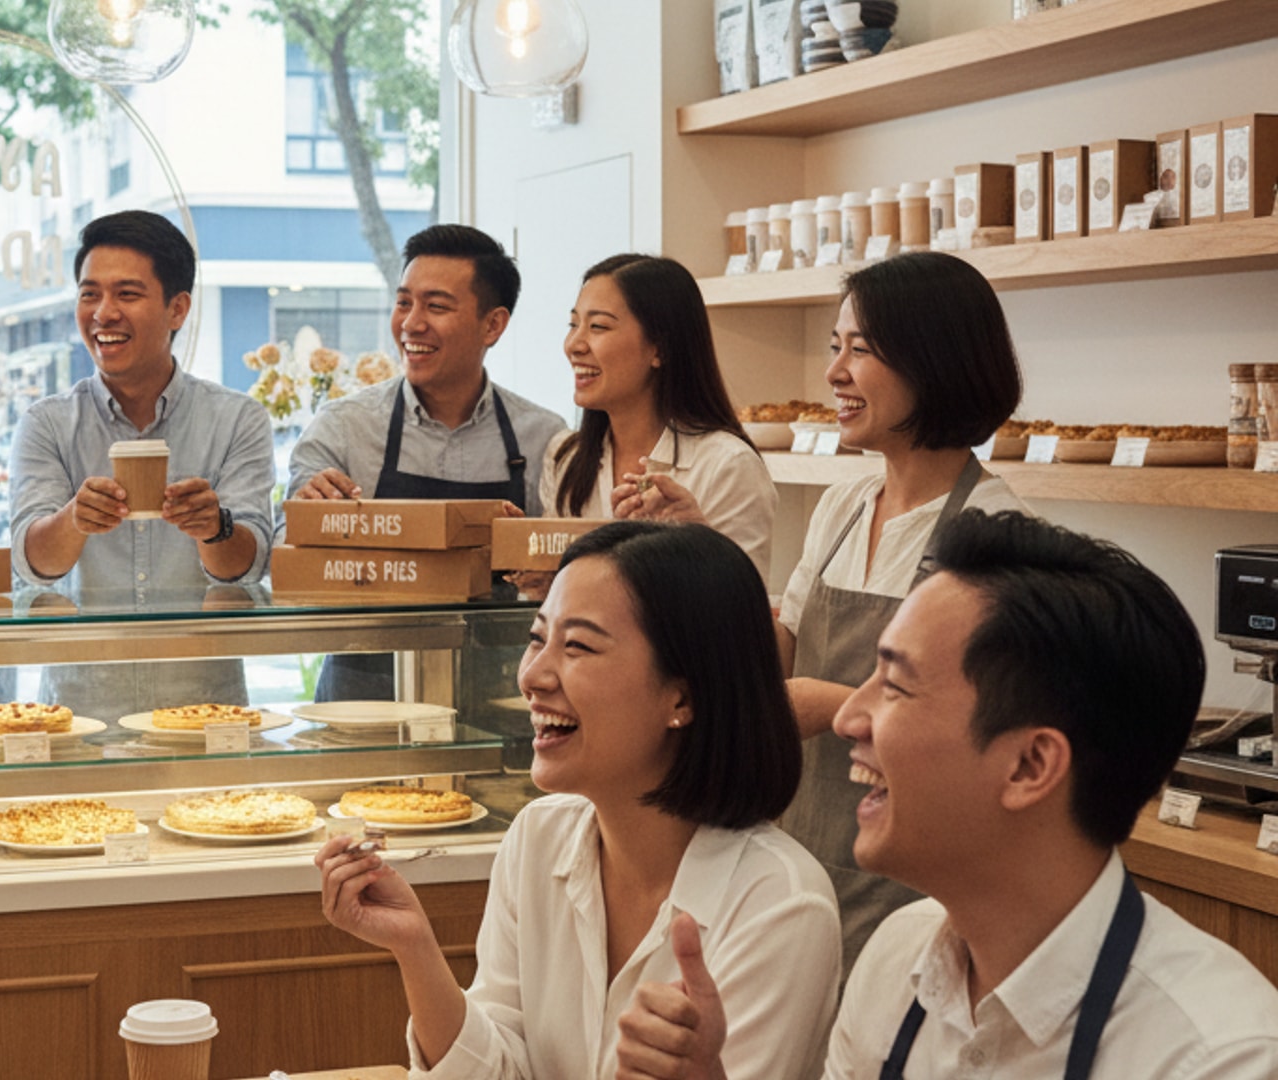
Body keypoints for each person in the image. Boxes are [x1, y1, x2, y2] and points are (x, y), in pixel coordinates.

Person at [617, 510, 1278, 1079]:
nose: (848, 718)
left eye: (896, 687)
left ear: (1030, 765)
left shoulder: (1217, 1055)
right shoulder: (898, 957)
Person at [316, 521, 839, 1080]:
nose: (533, 676)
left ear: (682, 696)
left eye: (578, 646)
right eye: (537, 638)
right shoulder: (539, 837)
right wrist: (414, 947)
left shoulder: (782, 906)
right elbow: (503, 1069)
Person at [637, 251, 1026, 973]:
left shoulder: (995, 528)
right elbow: (776, 658)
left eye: (861, 350)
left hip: (922, 881)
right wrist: (702, 552)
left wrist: (835, 705)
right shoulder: (845, 507)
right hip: (807, 851)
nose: (835, 373)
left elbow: (985, 731)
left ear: (933, 360)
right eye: (834, 347)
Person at [8, 209, 274, 718]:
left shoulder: (237, 419)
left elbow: (248, 568)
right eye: (90, 294)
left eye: (127, 294)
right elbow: (33, 565)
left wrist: (213, 527)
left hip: (204, 709)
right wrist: (75, 518)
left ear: (178, 309)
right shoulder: (46, 423)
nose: (104, 313)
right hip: (80, 711)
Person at [285, 224, 569, 699]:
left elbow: (572, 578)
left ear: (493, 325)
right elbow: (284, 561)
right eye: (404, 302)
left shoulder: (544, 437)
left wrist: (550, 573)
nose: (411, 323)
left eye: (436, 306)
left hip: (503, 695)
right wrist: (310, 522)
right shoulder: (343, 427)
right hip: (365, 698)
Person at [532, 254, 774, 593]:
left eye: (598, 326)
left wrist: (697, 544)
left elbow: (743, 619)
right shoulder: (565, 456)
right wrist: (537, 575)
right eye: (573, 325)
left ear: (659, 348)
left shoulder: (727, 465)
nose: (574, 345)